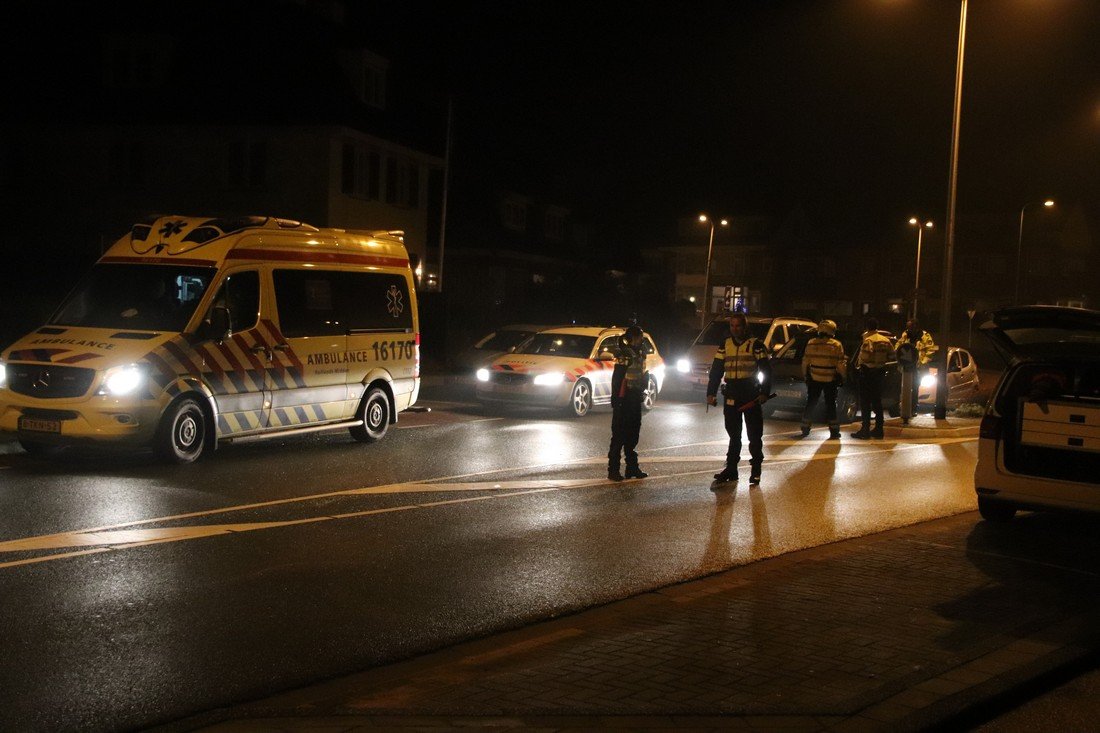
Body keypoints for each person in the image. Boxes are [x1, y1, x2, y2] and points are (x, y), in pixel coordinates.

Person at [706, 312, 772, 485]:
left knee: (754, 435)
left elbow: (766, 370)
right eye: (732, 326)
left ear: (745, 327)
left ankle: (756, 470)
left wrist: (764, 392)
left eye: (738, 326)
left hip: (750, 395)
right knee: (734, 435)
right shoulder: (725, 345)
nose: (735, 329)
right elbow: (716, 371)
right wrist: (710, 393)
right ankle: (731, 469)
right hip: (732, 396)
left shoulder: (756, 345)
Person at [607, 325, 650, 481]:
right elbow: (617, 378)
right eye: (640, 337)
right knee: (619, 435)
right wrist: (616, 399)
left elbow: (642, 373)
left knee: (633, 434)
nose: (641, 340)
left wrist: (645, 383)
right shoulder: (625, 354)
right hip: (624, 398)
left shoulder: (639, 353)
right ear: (633, 338)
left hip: (635, 397)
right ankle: (613, 470)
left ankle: (632, 468)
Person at [799, 319, 846, 439]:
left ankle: (805, 427)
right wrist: (843, 377)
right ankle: (834, 431)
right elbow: (840, 365)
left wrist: (805, 376)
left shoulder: (811, 343)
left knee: (811, 402)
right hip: (830, 380)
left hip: (814, 378)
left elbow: (805, 362)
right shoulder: (836, 345)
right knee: (830, 404)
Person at [851, 317, 893, 439]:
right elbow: (891, 355)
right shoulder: (885, 340)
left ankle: (865, 429)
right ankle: (879, 429)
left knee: (865, 402)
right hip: (879, 373)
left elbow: (864, 358)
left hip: (867, 373)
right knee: (877, 402)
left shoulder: (868, 340)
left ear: (867, 327)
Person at [895, 318, 936, 414]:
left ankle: (913, 408)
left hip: (918, 367)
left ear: (915, 327)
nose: (908, 329)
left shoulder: (925, 336)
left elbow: (930, 350)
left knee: (915, 387)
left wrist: (922, 362)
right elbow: (899, 346)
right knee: (904, 387)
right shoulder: (905, 335)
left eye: (910, 327)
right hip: (906, 366)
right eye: (907, 327)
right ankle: (904, 408)